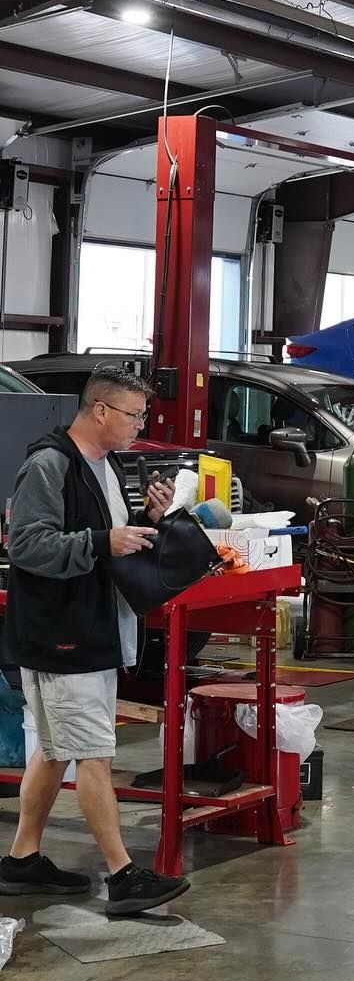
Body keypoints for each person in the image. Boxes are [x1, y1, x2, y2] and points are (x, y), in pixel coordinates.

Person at [0, 363, 190, 916]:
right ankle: (123, 875)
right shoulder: (50, 465)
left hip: (89, 630)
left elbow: (102, 536)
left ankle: (22, 860)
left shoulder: (104, 465)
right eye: (134, 415)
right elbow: (26, 546)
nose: (140, 426)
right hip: (65, 636)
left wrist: (146, 517)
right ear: (100, 410)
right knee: (93, 755)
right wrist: (104, 540)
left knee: (56, 750)